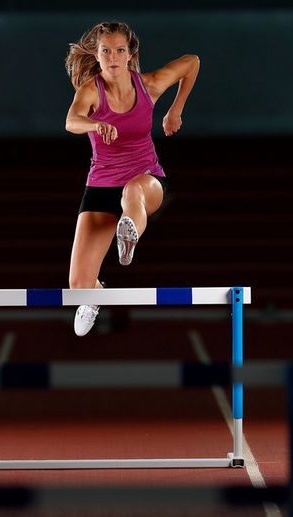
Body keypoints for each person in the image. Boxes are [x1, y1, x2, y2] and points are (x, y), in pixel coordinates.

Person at [64, 21, 200, 336]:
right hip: (101, 186)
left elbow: (192, 62)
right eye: (106, 51)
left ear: (130, 54)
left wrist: (175, 110)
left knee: (132, 193)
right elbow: (71, 120)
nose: (113, 57)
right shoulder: (91, 90)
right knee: (78, 285)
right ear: (97, 56)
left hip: (146, 179)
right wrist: (95, 125)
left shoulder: (149, 85)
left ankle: (129, 236)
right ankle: (94, 297)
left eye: (120, 50)